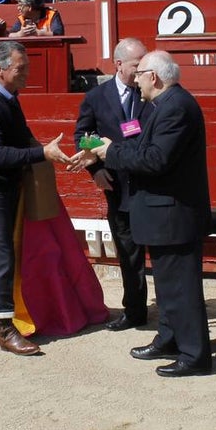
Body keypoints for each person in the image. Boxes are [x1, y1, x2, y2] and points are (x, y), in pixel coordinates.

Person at [87, 51, 212, 377]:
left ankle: (194, 354)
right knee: (170, 285)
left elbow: (155, 160)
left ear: (153, 77)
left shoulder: (175, 108)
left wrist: (110, 152)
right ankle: (170, 338)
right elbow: (146, 151)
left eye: (140, 73)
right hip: (165, 213)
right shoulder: (168, 105)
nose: (136, 80)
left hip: (173, 214)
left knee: (180, 287)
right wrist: (111, 148)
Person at [0, 40, 74, 355]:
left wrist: (44, 149)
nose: (26, 74)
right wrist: (42, 152)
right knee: (0, 253)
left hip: (3, 183)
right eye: (20, 69)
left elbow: (19, 135)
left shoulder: (6, 96)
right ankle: (4, 327)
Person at [74, 37, 149, 331]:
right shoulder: (97, 97)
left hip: (148, 182)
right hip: (117, 186)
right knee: (128, 253)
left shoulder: (149, 93)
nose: (142, 70)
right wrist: (95, 171)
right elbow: (82, 135)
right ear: (118, 64)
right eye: (136, 65)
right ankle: (134, 311)